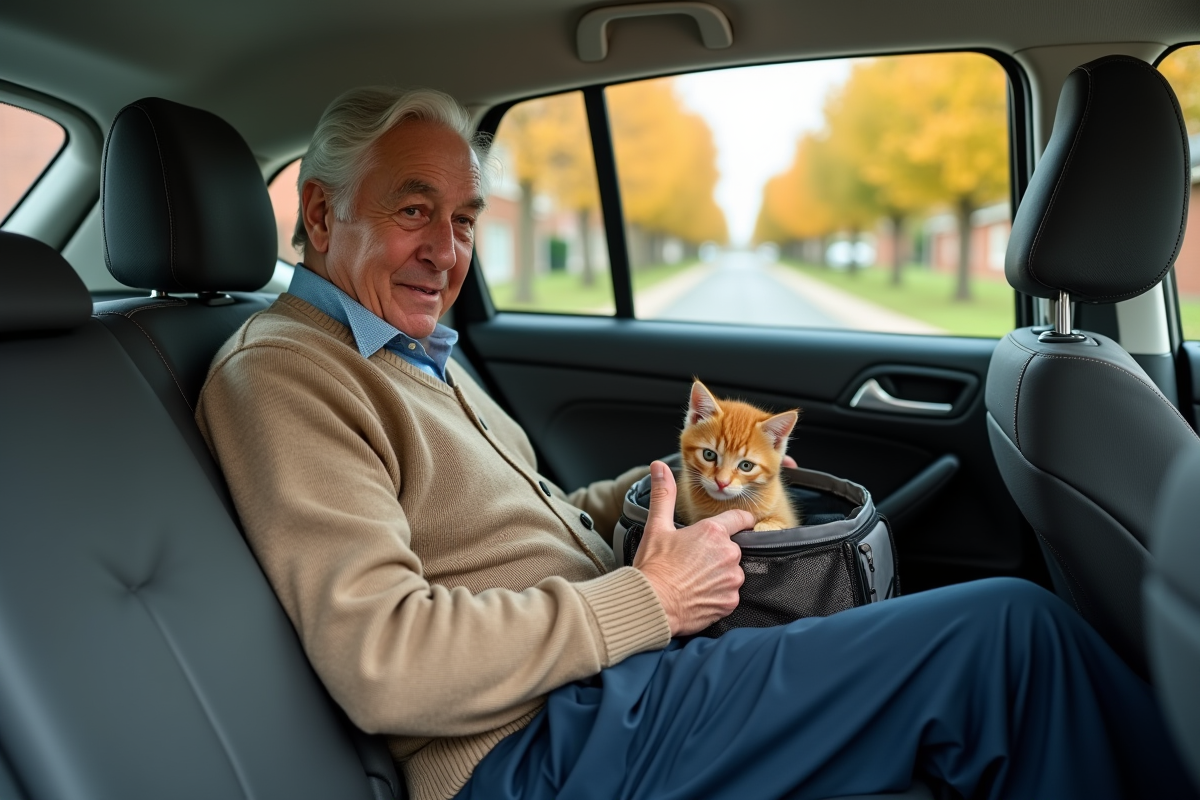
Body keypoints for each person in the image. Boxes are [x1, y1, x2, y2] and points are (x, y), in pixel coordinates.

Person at [196, 86, 1197, 800]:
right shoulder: (286, 372)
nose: (447, 250)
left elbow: (528, 524)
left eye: (463, 219)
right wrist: (653, 598)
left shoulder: (412, 348)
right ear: (319, 215)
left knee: (976, 657)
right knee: (1006, 642)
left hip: (596, 689)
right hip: (529, 747)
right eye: (414, 209)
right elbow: (385, 657)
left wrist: (673, 480)